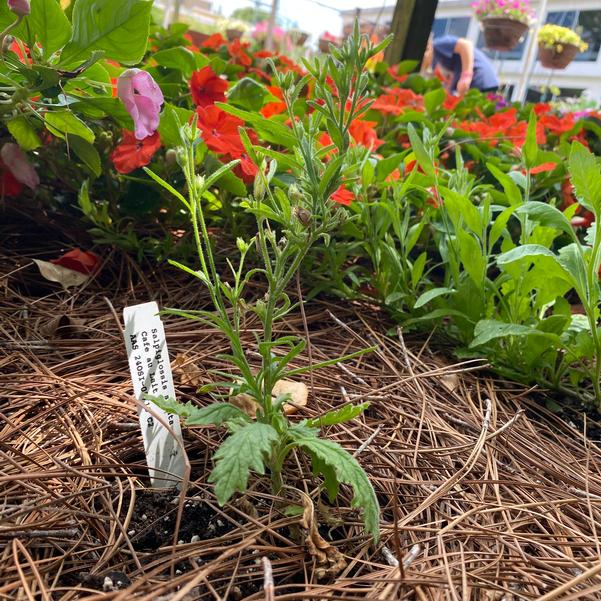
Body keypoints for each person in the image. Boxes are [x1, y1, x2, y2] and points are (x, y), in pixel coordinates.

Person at [422, 34, 499, 96]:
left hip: (480, 78)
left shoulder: (438, 45)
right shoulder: (435, 61)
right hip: (481, 83)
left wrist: (466, 77)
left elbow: (466, 44)